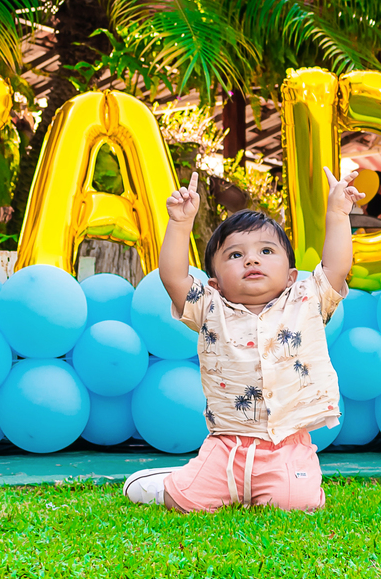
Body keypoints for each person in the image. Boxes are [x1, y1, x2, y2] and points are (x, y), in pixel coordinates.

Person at [121, 167, 362, 512]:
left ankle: (282, 484)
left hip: (286, 444)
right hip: (224, 446)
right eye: (235, 255)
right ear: (215, 282)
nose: (251, 259)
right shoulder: (209, 307)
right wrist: (180, 223)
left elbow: (336, 267)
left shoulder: (306, 301)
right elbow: (172, 277)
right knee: (184, 500)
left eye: (266, 251)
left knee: (298, 505)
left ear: (292, 275)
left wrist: (338, 214)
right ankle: (171, 484)